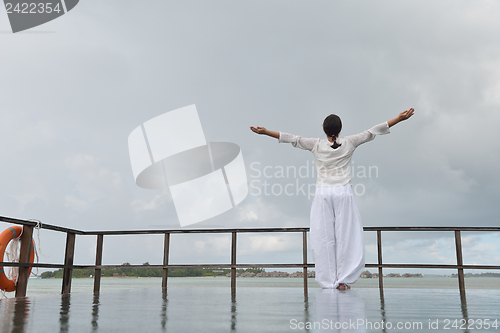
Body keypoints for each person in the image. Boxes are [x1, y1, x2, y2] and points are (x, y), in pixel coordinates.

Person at [250, 108, 414, 290]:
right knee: (346, 235)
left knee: (323, 237)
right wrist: (398, 119)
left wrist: (265, 132)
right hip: (343, 193)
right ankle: (342, 280)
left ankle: (328, 281)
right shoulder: (349, 142)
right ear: (340, 129)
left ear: (324, 129)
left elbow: (292, 138)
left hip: (323, 194)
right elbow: (372, 131)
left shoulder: (316, 144)